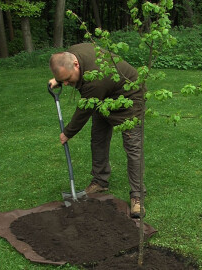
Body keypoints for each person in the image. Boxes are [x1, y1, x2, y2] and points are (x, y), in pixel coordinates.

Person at [48, 43, 146, 218]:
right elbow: (67, 70)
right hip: (105, 96)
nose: (68, 84)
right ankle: (100, 181)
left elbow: (83, 111)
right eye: (65, 81)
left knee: (133, 147)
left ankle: (137, 196)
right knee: (98, 138)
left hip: (129, 96)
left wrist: (68, 132)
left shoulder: (94, 83)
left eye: (69, 79)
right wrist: (59, 78)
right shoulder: (73, 54)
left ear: (76, 65)